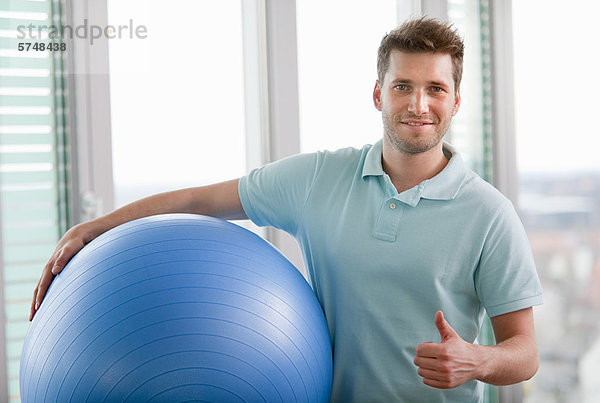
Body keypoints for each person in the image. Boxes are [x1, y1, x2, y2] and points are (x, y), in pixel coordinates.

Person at [30, 17, 543, 402]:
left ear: (455, 102)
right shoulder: (319, 179)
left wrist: (476, 360)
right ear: (377, 95)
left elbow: (524, 353)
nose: (418, 104)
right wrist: (93, 228)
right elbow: (199, 201)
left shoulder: (489, 214)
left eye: (435, 89)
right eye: (402, 86)